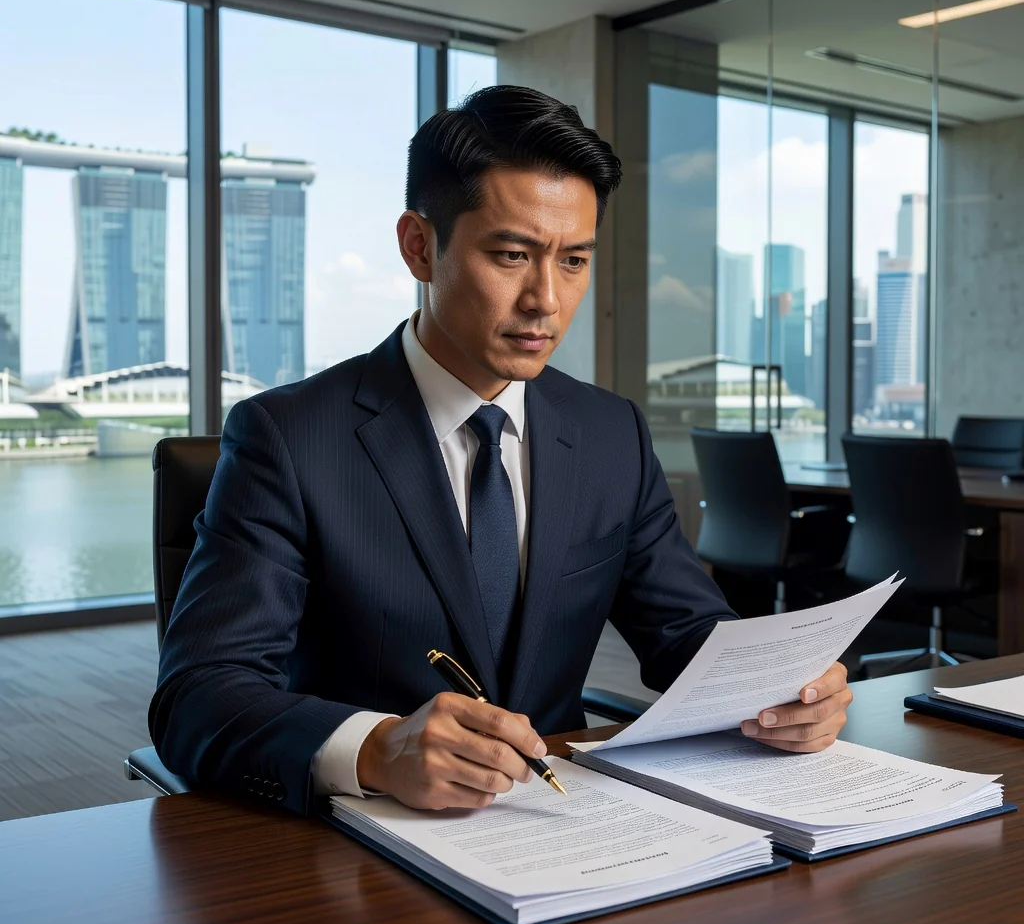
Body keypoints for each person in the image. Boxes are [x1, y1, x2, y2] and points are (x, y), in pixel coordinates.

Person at [150, 85, 852, 817]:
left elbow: (686, 630)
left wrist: (781, 684)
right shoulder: (288, 438)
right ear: (420, 247)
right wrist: (377, 747)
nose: (546, 299)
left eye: (574, 260)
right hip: (361, 851)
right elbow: (198, 697)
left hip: (557, 829)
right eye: (512, 255)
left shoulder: (610, 433)